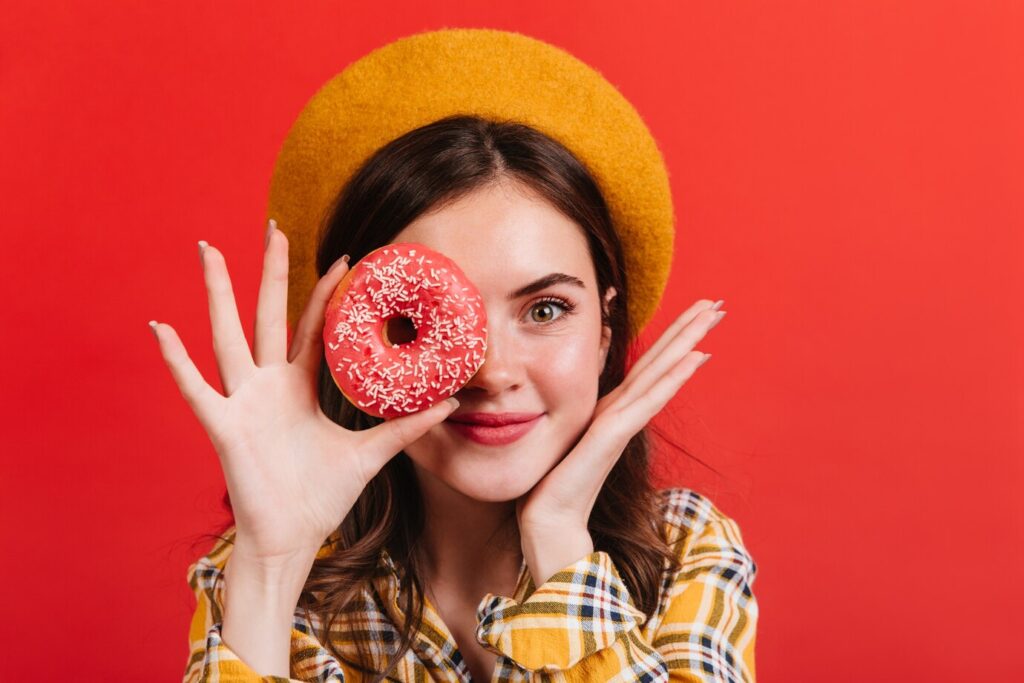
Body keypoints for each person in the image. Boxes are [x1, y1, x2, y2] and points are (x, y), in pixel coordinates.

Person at [154, 30, 758, 683]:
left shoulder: (688, 552)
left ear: (606, 327)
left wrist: (560, 543)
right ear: (354, 330)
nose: (492, 373)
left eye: (546, 310)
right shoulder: (257, 563)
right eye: (420, 320)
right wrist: (270, 572)